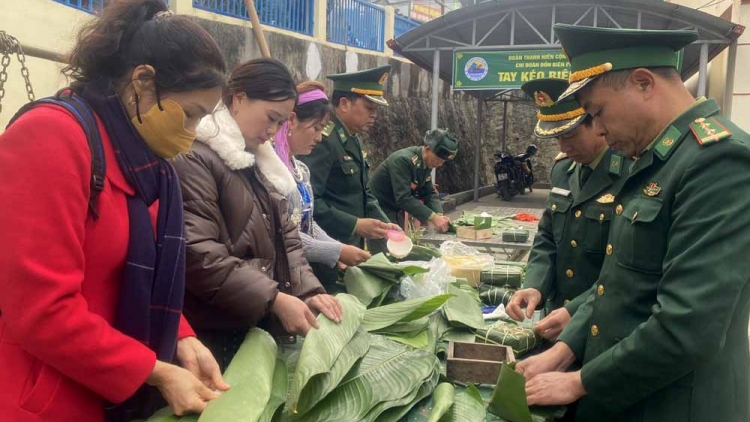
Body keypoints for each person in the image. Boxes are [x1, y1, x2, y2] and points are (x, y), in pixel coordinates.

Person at [0, 1, 230, 421]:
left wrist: (182, 337)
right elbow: (41, 311)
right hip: (44, 397)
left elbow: (139, 279)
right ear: (143, 80)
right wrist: (156, 372)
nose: (191, 133)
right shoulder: (52, 137)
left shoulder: (149, 164)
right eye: (190, 114)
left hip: (109, 394)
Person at [518, 24, 750, 422]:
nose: (600, 129)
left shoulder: (717, 161)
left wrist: (578, 382)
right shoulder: (655, 158)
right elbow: (621, 283)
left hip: (675, 405)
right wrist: (565, 349)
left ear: (644, 83)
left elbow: (687, 329)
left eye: (598, 112)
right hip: (630, 394)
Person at [172, 58, 343, 370]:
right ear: (239, 98)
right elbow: (199, 253)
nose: (273, 131)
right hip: (214, 334)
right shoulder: (196, 158)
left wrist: (309, 289)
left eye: (280, 123)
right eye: (271, 118)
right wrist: (274, 298)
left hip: (252, 327)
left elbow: (289, 238)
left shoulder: (259, 161)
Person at [506, 78, 631, 341]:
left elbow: (626, 265)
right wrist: (535, 286)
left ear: (597, 124)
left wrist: (576, 311)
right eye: (556, 138)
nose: (563, 147)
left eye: (570, 135)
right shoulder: (563, 169)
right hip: (556, 318)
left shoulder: (629, 172)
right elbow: (547, 237)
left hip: (602, 324)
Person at [298, 65, 400, 284]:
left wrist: (384, 226)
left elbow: (365, 192)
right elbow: (310, 203)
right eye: (368, 107)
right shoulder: (323, 140)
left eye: (376, 108)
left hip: (349, 249)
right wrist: (355, 224)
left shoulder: (352, 138)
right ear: (344, 104)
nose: (374, 114)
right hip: (326, 251)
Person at [269, 81, 372, 275]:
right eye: (316, 128)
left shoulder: (301, 170)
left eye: (322, 128)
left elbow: (307, 222)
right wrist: (336, 250)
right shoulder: (269, 169)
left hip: (299, 272)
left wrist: (337, 248)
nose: (318, 137)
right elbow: (282, 233)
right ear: (292, 121)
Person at [369, 128, 458, 233]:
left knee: (399, 246)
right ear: (428, 150)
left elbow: (429, 192)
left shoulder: (426, 163)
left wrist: (438, 214)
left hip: (396, 209)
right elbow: (403, 198)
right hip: (379, 209)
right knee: (385, 247)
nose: (440, 164)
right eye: (438, 159)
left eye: (443, 161)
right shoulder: (402, 160)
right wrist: (432, 217)